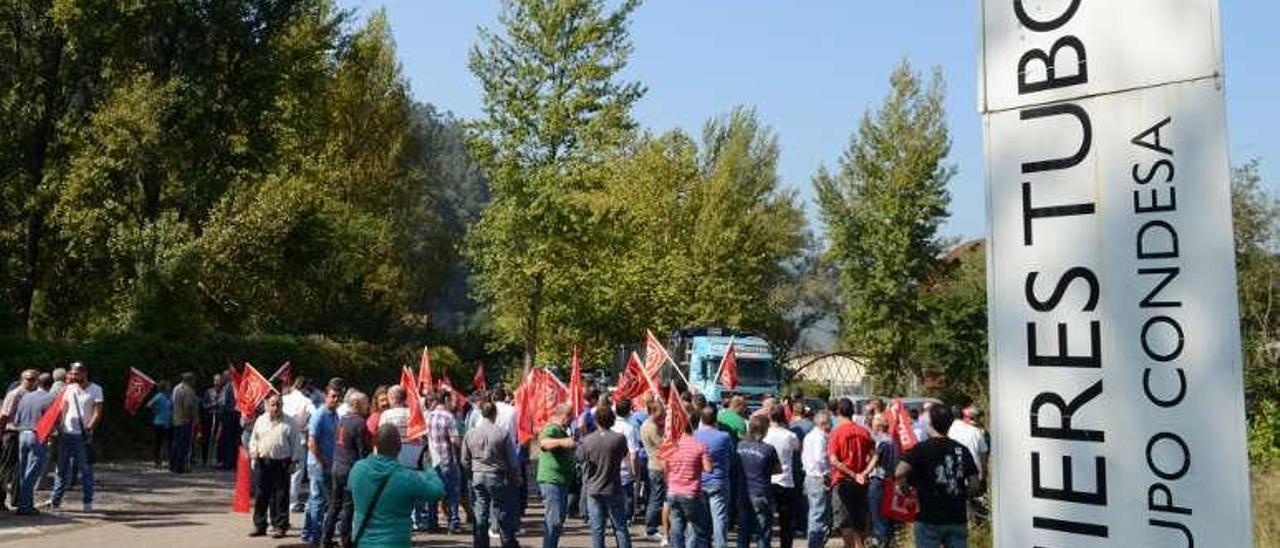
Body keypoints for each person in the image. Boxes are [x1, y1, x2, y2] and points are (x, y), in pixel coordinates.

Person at [895, 405, 979, 548]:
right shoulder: (961, 449)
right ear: (951, 424)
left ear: (931, 423)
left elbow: (899, 472)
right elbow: (974, 483)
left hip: (929, 517)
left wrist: (906, 491)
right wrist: (964, 496)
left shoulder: (921, 449)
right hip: (956, 517)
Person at [350, 424, 445, 548]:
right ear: (400, 448)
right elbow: (438, 491)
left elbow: (351, 486)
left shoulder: (358, 469)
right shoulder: (407, 477)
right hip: (395, 542)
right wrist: (428, 467)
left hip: (363, 542)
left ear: (374, 445)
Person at [462, 400, 520, 548]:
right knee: (501, 511)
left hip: (478, 476)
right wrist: (515, 477)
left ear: (482, 414)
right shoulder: (502, 433)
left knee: (480, 511)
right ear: (495, 414)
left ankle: (480, 544)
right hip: (497, 476)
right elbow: (512, 461)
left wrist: (471, 473)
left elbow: (464, 459)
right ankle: (507, 542)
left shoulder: (470, 433)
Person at [248, 393, 304, 539]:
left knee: (280, 495)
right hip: (263, 462)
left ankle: (280, 526)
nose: (275, 408)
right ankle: (259, 525)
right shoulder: (261, 420)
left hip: (282, 463)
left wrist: (294, 462)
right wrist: (253, 451)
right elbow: (254, 439)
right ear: (267, 406)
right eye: (272, 404)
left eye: (278, 404)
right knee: (261, 495)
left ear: (282, 406)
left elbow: (297, 444)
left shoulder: (290, 422)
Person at [576, 404, 633, 548]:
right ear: (612, 420)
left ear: (596, 420)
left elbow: (580, 458)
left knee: (597, 529)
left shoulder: (588, 440)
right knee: (620, 527)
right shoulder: (619, 439)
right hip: (613, 487)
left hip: (594, 488)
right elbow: (624, 455)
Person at [322, 391, 372, 547]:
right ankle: (346, 540)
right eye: (366, 403)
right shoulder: (359, 423)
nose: (368, 406)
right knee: (348, 506)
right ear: (357, 404)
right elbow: (363, 450)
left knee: (334, 504)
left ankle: (325, 539)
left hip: (337, 465)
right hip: (351, 468)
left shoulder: (343, 419)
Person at [51, 362, 103, 512]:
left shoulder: (96, 389)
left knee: (86, 470)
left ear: (85, 373)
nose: (74, 376)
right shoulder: (68, 388)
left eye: (77, 373)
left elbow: (97, 412)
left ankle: (87, 502)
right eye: (72, 373)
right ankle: (56, 502)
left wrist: (89, 428)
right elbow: (64, 407)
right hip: (66, 433)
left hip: (83, 435)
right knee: (61, 469)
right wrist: (60, 425)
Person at [828, 398, 878, 548]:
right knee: (859, 520)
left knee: (845, 522)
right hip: (860, 482)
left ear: (838, 412)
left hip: (843, 481)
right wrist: (864, 472)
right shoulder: (863, 431)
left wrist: (853, 474)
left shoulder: (836, 433)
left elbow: (834, 460)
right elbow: (875, 455)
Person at [666, 410, 713, 548]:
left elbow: (665, 465)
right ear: (696, 425)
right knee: (702, 530)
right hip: (691, 493)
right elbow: (709, 469)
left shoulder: (672, 444)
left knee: (676, 528)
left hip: (673, 491)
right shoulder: (699, 445)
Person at [302, 385, 341, 545]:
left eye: (338, 397)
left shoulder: (334, 414)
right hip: (318, 464)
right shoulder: (319, 415)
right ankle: (316, 537)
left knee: (315, 499)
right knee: (319, 500)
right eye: (333, 396)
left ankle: (308, 533)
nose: (335, 399)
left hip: (328, 463)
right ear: (326, 396)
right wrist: (322, 462)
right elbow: (312, 442)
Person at [736, 415, 780, 548]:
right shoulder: (768, 449)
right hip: (761, 492)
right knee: (763, 532)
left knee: (743, 531)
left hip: (743, 492)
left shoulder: (740, 445)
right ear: (765, 430)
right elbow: (778, 470)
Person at [11, 370, 51, 515]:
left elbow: (16, 420)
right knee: (32, 473)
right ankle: (25, 507)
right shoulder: (48, 398)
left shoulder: (25, 397)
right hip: (36, 435)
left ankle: (24, 504)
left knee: (23, 472)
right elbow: (50, 421)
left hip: (22, 434)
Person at [694, 406, 733, 548]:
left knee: (699, 518)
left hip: (699, 481)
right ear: (716, 419)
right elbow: (731, 454)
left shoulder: (694, 435)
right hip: (718, 481)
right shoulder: (724, 436)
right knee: (719, 518)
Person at [538, 403, 576, 548]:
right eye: (571, 417)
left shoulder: (561, 429)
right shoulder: (551, 428)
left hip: (559, 480)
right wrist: (562, 442)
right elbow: (544, 443)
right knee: (554, 519)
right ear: (564, 417)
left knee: (558, 518)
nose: (572, 420)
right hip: (552, 481)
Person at [425, 391, 463, 533]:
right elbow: (454, 440)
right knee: (453, 491)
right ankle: (453, 522)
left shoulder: (427, 416)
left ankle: (432, 523)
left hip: (431, 460)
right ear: (446, 400)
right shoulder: (448, 416)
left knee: (432, 492)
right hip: (447, 459)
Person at [764, 406, 801, 548]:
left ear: (770, 417)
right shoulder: (790, 435)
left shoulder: (765, 435)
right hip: (786, 481)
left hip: (768, 480)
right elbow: (798, 448)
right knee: (786, 522)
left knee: (766, 520)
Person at [1, 369, 36, 509]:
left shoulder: (33, 395)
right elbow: (4, 416)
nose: (32, 381)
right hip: (12, 434)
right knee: (6, 469)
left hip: (25, 434)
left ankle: (18, 500)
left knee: (20, 470)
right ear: (22, 379)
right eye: (29, 379)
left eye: (35, 379)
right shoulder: (15, 394)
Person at [802, 411, 833, 548]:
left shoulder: (810, 436)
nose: (831, 425)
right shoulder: (820, 438)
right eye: (830, 423)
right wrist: (827, 475)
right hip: (818, 477)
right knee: (818, 513)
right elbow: (820, 459)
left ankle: (815, 542)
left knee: (815, 512)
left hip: (811, 476)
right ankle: (815, 544)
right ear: (824, 423)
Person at [867, 415, 899, 546]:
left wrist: (864, 470)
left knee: (878, 516)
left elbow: (875, 460)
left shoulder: (881, 442)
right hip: (890, 481)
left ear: (879, 426)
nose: (871, 427)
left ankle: (882, 542)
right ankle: (890, 541)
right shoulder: (893, 441)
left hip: (878, 480)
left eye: (873, 424)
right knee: (888, 515)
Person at [610, 399, 641, 525]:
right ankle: (626, 519)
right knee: (628, 496)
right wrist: (635, 472)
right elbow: (633, 454)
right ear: (629, 411)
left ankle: (615, 517)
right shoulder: (629, 428)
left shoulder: (611, 424)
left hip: (611, 468)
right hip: (625, 469)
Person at [640, 399, 667, 543]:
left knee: (655, 497)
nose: (663, 414)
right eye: (660, 412)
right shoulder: (651, 427)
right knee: (656, 499)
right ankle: (651, 529)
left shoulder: (650, 424)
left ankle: (653, 526)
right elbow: (662, 445)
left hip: (655, 465)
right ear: (653, 412)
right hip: (657, 466)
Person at [171, 373, 200, 473]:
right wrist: (189, 417)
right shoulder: (188, 390)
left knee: (176, 443)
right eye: (193, 380)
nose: (195, 382)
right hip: (185, 420)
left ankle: (173, 465)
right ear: (189, 380)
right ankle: (181, 466)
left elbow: (173, 402)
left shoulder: (176, 388)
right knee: (184, 445)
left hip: (176, 419)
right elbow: (188, 406)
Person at [147, 380, 173, 469]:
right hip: (158, 423)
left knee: (169, 443)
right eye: (168, 386)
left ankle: (170, 461)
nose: (170, 387)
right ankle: (157, 462)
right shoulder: (159, 396)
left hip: (169, 423)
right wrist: (156, 410)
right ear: (164, 387)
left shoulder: (170, 397)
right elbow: (149, 405)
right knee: (158, 443)